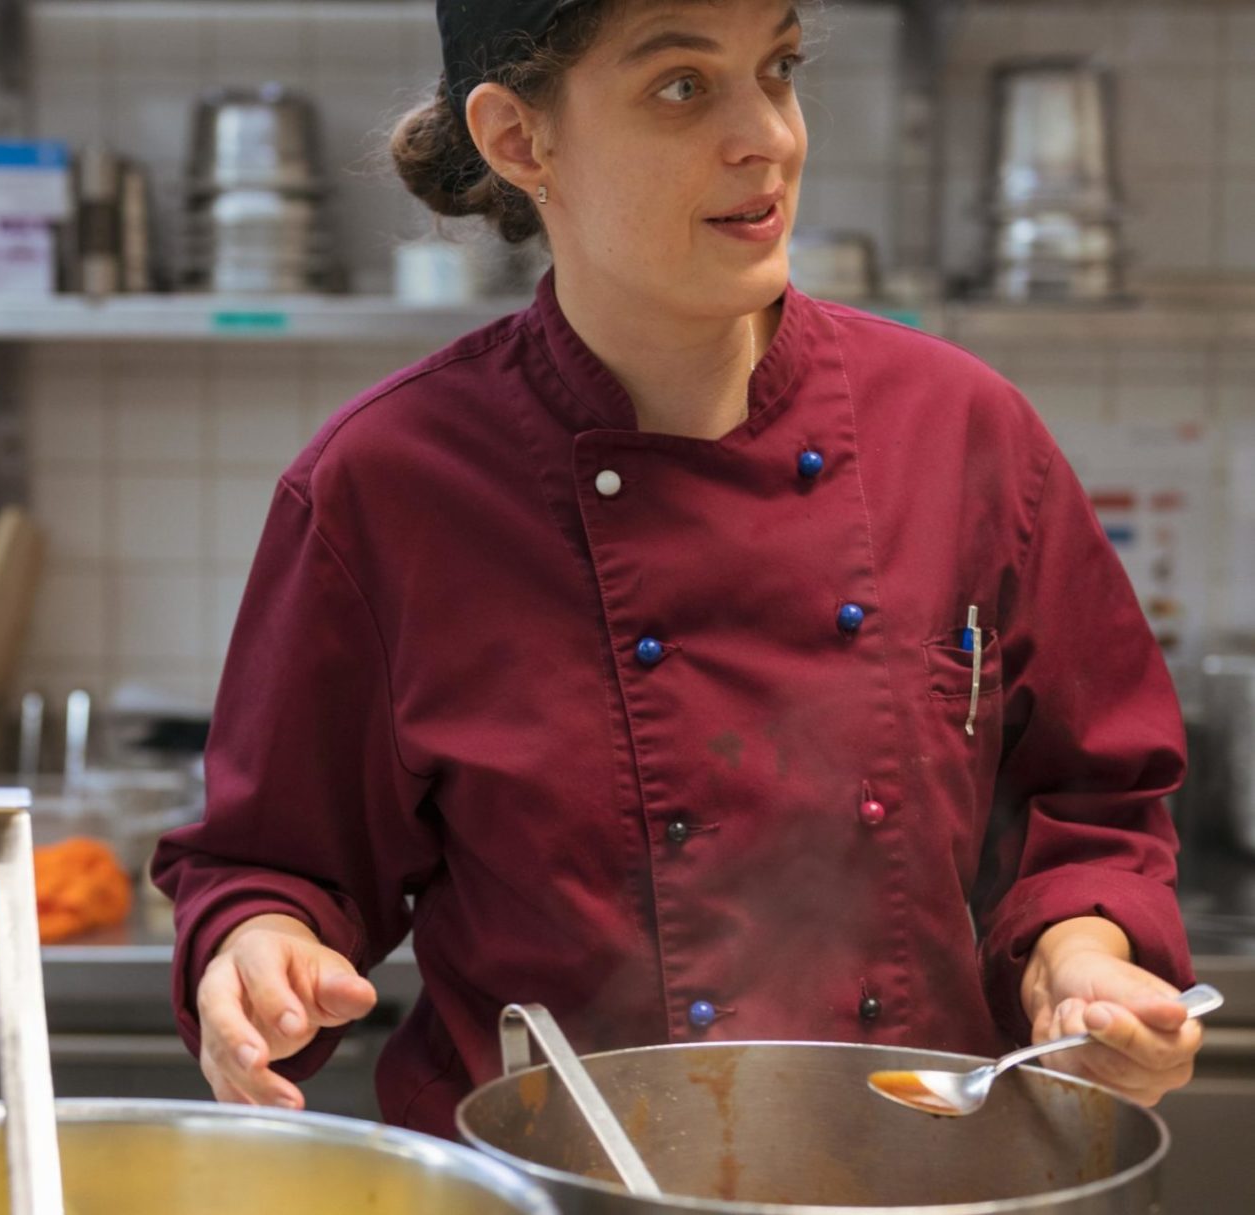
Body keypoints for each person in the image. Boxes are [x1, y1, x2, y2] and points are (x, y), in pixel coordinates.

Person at [152, 0, 1204, 1139]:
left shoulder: (961, 431)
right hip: (543, 1183)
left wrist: (1082, 955)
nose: (771, 136)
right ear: (519, 142)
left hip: (916, 1179)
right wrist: (260, 953)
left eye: (779, 69)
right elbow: (277, 862)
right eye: (683, 87)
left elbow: (1091, 798)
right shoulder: (387, 486)